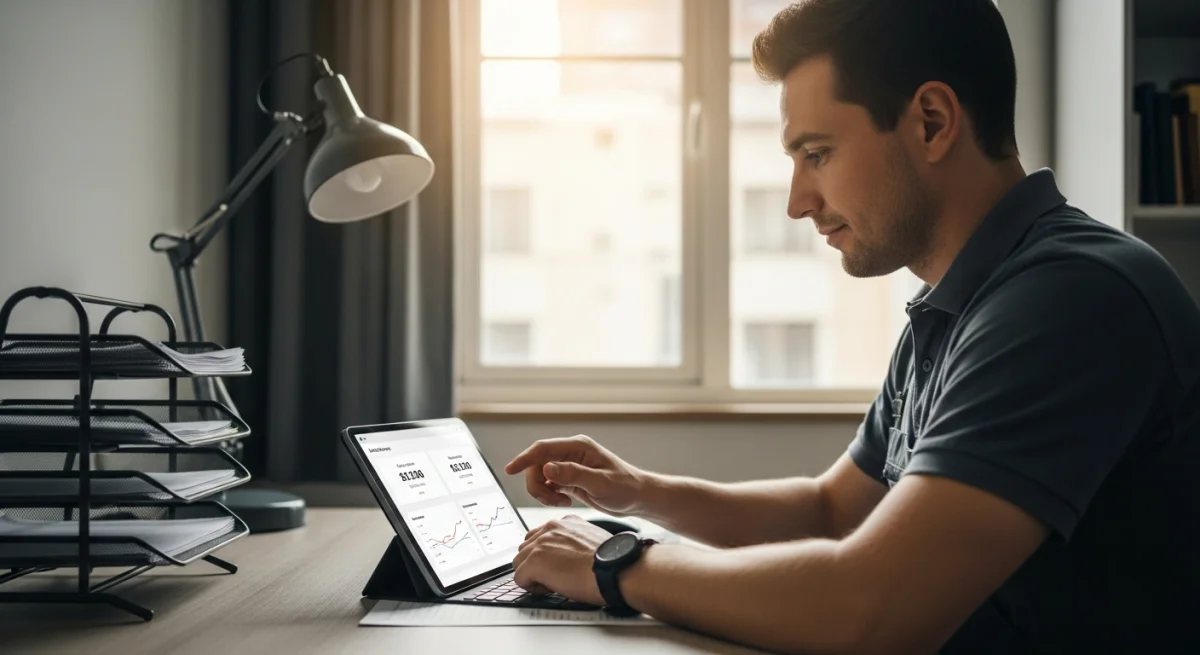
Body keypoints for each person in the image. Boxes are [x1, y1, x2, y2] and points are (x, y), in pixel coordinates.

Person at [504, 0, 1200, 653]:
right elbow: (833, 508)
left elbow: (870, 606)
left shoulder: (1070, 300)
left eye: (817, 154)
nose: (797, 202)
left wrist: (618, 564)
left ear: (931, 121)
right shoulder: (958, 303)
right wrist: (639, 492)